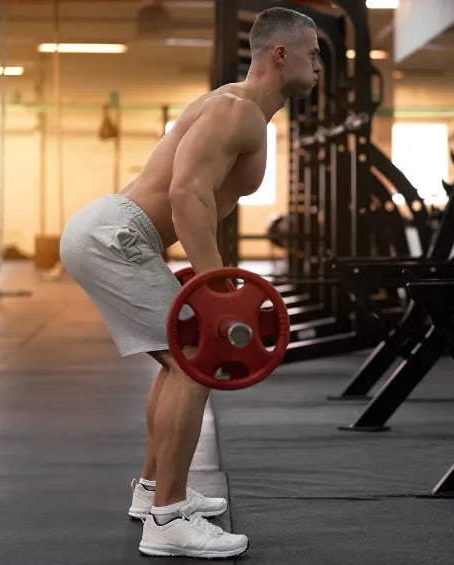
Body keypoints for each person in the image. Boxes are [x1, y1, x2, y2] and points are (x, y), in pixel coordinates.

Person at [58, 7, 322, 559]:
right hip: (117, 235)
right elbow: (185, 195)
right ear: (280, 55)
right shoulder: (238, 111)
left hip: (114, 232)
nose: (319, 65)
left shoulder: (237, 106)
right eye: (313, 53)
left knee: (176, 360)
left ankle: (153, 490)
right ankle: (168, 519)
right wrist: (216, 286)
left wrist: (211, 279)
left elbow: (200, 199)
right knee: (195, 364)